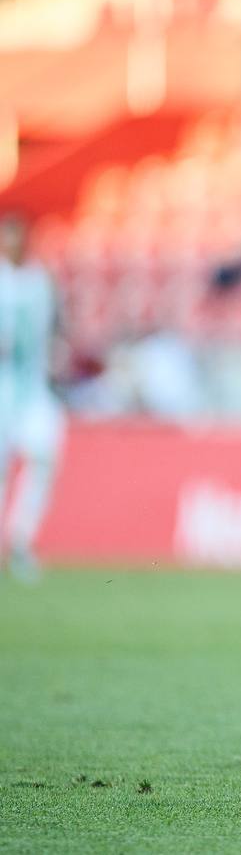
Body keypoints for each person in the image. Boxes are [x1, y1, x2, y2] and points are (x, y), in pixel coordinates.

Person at [0, 214, 66, 583]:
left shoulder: (43, 280)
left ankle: (21, 539)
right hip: (2, 389)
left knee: (44, 456)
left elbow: (58, 323)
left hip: (34, 387)